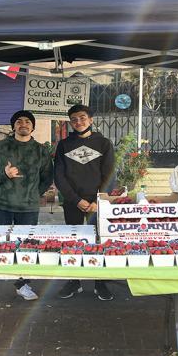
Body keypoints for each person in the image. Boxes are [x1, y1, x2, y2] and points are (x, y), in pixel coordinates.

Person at [0, 110, 54, 304]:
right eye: (19, 121)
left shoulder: (41, 150)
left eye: (28, 121)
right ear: (13, 127)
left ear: (33, 126)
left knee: (25, 247)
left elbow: (47, 177)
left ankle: (22, 284)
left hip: (28, 208)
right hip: (1, 205)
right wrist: (4, 175)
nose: (23, 124)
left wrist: (34, 194)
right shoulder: (0, 147)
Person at [54, 104, 115, 301]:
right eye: (74, 119)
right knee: (73, 242)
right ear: (70, 123)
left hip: (97, 204)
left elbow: (109, 174)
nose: (78, 122)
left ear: (90, 120)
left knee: (99, 241)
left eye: (82, 118)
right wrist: (76, 200)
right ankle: (74, 281)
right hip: (73, 203)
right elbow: (59, 176)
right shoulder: (64, 145)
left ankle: (100, 282)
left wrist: (99, 200)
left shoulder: (103, 143)